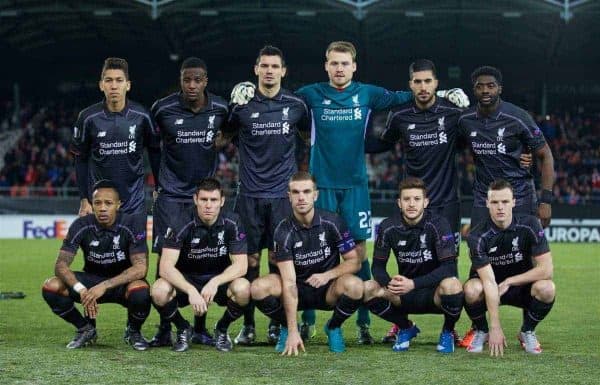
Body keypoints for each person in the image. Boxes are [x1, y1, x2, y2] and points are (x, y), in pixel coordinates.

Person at [231, 42, 469, 343]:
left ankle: (364, 322)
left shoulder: (367, 94)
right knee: (307, 252)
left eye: (345, 63)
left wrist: (444, 94)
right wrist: (247, 88)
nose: (339, 68)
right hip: (322, 184)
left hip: (355, 185)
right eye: (334, 63)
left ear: (353, 66)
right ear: (326, 65)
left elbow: (404, 96)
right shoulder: (310, 94)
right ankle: (306, 318)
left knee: (358, 253)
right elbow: (279, 94)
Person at [225, 45, 310, 345]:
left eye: (275, 66)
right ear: (256, 69)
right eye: (265, 66)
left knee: (279, 260)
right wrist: (232, 107)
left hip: (280, 199)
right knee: (248, 262)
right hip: (248, 195)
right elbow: (222, 137)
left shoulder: (296, 104)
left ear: (283, 71)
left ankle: (277, 323)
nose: (270, 71)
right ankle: (247, 325)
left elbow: (309, 136)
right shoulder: (244, 105)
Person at [148, 57, 229, 348]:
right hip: (170, 196)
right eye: (186, 80)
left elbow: (230, 130)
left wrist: (219, 141)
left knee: (202, 258)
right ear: (181, 80)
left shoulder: (220, 108)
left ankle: (200, 328)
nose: (191, 85)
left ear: (205, 80)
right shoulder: (162, 108)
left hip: (202, 197)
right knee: (163, 263)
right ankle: (164, 328)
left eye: (197, 80)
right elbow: (151, 145)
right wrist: (159, 183)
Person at [251, 171, 363, 354]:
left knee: (356, 286)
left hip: (328, 289)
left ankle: (333, 327)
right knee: (257, 287)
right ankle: (287, 328)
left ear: (315, 194)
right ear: (289, 197)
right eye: (295, 192)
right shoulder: (283, 231)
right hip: (296, 289)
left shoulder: (333, 221)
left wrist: (327, 275)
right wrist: (294, 330)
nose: (301, 197)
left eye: (306, 191)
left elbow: (355, 262)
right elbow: (288, 282)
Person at [41, 180, 151, 350]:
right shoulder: (81, 224)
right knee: (51, 286)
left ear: (118, 205)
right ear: (92, 205)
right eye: (97, 203)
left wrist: (104, 286)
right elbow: (61, 265)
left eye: (108, 203)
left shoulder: (132, 224)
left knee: (140, 290)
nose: (102, 208)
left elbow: (140, 268)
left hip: (120, 284)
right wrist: (80, 289)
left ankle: (133, 331)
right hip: (89, 284)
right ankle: (85, 329)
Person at [150, 178, 250, 352]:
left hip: (217, 281)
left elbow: (241, 266)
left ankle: (222, 329)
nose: (208, 205)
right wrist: (190, 290)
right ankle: (183, 328)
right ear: (196, 199)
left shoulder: (233, 222)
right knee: (158, 290)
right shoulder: (180, 222)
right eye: (204, 200)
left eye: (213, 200)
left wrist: (214, 282)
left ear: (222, 201)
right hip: (186, 279)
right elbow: (165, 267)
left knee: (244, 288)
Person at [364, 177, 463, 353]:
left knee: (453, 285)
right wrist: (390, 284)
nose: (411, 204)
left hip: (435, 294)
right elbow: (377, 267)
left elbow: (449, 267)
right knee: (368, 288)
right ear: (399, 203)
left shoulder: (439, 224)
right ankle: (405, 327)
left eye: (417, 199)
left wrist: (413, 284)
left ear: (425, 202)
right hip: (403, 295)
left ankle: (447, 332)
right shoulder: (388, 227)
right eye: (406, 199)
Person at [464, 179, 555, 356]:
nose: (500, 207)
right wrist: (495, 326)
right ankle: (482, 331)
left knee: (547, 288)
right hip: (488, 288)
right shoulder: (477, 235)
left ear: (513, 202)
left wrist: (510, 281)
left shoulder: (530, 225)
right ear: (487, 203)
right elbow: (489, 281)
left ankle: (527, 331)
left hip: (520, 287)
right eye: (495, 202)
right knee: (470, 289)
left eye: (505, 202)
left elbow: (546, 269)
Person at [457, 66, 554, 229]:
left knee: (523, 252)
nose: (485, 90)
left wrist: (546, 201)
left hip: (520, 196)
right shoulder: (465, 120)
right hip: (485, 197)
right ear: (474, 90)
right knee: (477, 250)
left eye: (491, 86)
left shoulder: (518, 117)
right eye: (479, 86)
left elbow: (546, 155)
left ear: (499, 89)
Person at [71, 57, 160, 224]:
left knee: (137, 251)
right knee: (99, 251)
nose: (113, 86)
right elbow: (80, 160)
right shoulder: (88, 118)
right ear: (101, 85)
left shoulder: (143, 116)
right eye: (108, 80)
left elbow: (155, 153)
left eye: (119, 80)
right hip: (100, 206)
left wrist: (159, 189)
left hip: (135, 205)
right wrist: (84, 199)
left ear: (128, 85)